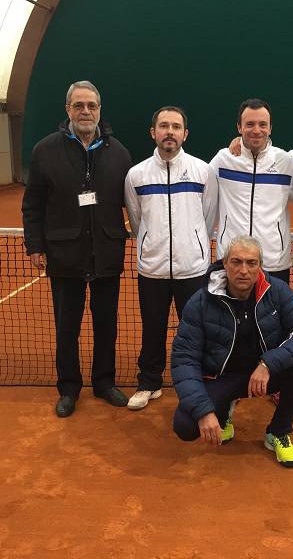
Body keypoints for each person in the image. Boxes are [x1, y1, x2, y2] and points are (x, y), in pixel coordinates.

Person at [22, 80, 132, 418]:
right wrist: (35, 246)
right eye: (79, 105)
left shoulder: (120, 153)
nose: (86, 112)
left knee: (106, 325)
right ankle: (68, 388)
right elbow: (33, 204)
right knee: (66, 327)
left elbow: (135, 205)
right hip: (64, 255)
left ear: (100, 110)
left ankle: (104, 382)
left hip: (107, 253)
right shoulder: (45, 151)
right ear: (68, 109)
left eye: (92, 106)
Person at [170, 236, 293, 468]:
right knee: (185, 425)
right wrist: (203, 411)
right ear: (224, 264)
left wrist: (269, 364)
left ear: (260, 266)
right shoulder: (200, 302)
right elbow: (184, 359)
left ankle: (277, 432)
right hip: (222, 378)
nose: (243, 270)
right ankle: (223, 409)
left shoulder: (276, 291)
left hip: (262, 375)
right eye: (236, 262)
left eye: (251, 263)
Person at [123, 106, 218, 410]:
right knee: (153, 327)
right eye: (163, 126)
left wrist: (193, 245)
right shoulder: (136, 174)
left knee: (196, 329)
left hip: (193, 267)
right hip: (153, 269)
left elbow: (208, 215)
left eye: (176, 127)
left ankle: (201, 382)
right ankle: (149, 382)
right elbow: (137, 221)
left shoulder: (203, 171)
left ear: (185, 134)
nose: (170, 132)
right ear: (153, 132)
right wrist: (153, 245)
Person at [209, 99, 293, 284]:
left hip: (273, 263)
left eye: (262, 124)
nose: (256, 130)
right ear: (239, 127)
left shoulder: (286, 161)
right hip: (232, 261)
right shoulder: (223, 160)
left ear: (270, 128)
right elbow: (203, 192)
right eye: (249, 124)